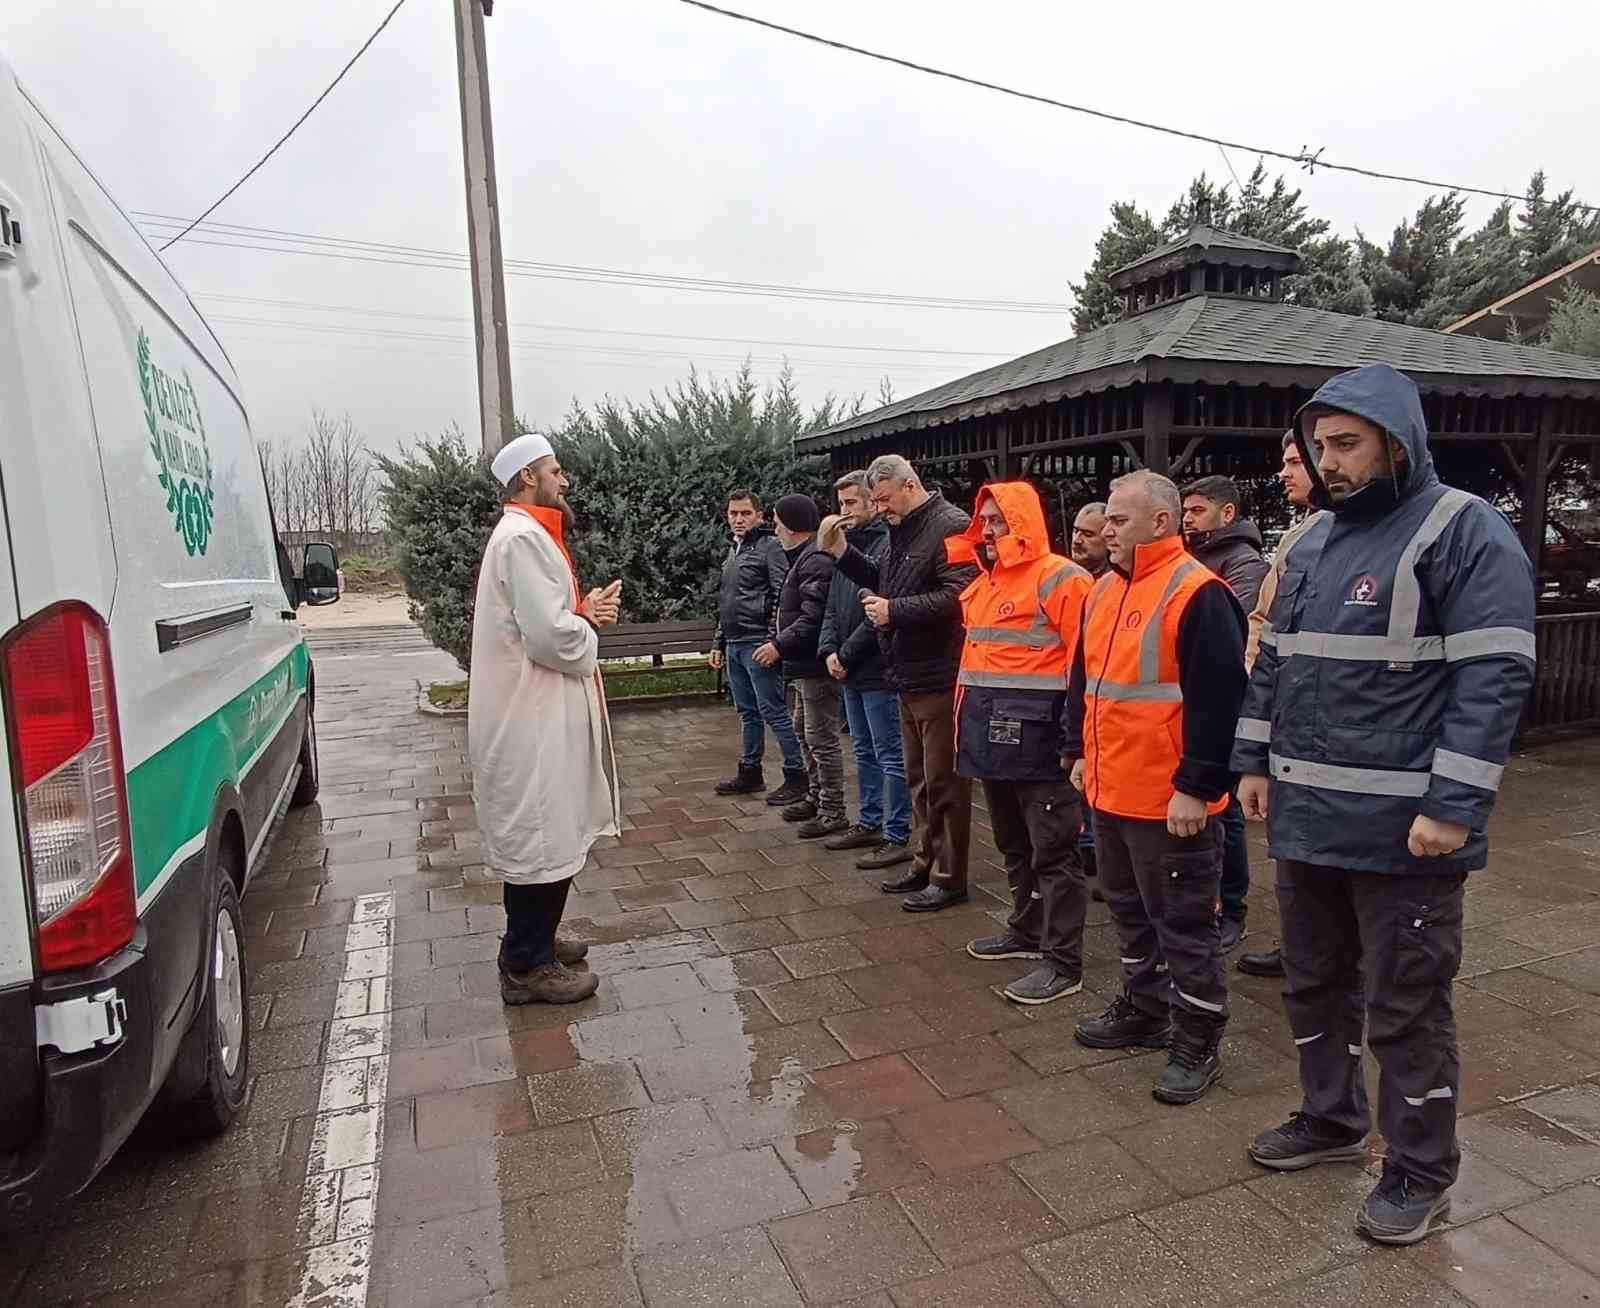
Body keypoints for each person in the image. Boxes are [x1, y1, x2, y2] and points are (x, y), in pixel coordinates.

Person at [1234, 363, 1536, 1245]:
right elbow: (1277, 662)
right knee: (1315, 983)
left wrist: (1456, 806)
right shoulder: (1315, 540)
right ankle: (1330, 1119)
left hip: (1409, 837)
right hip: (1307, 820)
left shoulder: (1464, 531)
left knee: (1406, 1005)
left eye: (1345, 444)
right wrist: (1253, 759)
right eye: (1317, 446)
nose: (1326, 461)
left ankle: (1419, 1169)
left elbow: (1493, 678)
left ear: (1396, 441)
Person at [1064, 469, 1246, 1104]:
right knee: (1130, 913)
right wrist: (1077, 752)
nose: (1104, 530)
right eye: (1107, 519)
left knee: (1186, 925)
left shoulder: (1199, 593)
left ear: (1161, 523)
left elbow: (1219, 702)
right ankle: (1145, 1009)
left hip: (1171, 803)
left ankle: (1197, 1037)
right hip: (1111, 791)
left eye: (1118, 519)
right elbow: (1085, 684)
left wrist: (1197, 786)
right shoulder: (1104, 591)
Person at [470, 432, 621, 1007]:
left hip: (537, 708)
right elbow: (549, 637)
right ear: (529, 477)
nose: (564, 481)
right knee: (540, 831)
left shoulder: (525, 535)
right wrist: (590, 624)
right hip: (530, 713)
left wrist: (580, 612)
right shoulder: (523, 538)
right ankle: (526, 964)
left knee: (549, 827)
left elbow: (545, 619)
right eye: (555, 471)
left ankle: (536, 939)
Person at [952, 483, 1094, 1004]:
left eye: (998, 521)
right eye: (983, 520)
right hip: (992, 742)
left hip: (1042, 745)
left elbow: (1086, 666)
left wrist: (1074, 742)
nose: (987, 530)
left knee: (1054, 854)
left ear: (1024, 522)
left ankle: (1063, 961)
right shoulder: (986, 582)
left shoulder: (1063, 579)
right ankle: (1027, 930)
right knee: (1014, 846)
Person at [819, 454, 978, 912]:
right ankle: (924, 860)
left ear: (910, 486)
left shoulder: (950, 525)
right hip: (906, 674)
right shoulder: (900, 528)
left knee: (944, 782)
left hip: (940, 674)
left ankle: (950, 878)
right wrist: (843, 555)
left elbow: (960, 595)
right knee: (919, 780)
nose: (880, 508)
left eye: (885, 500)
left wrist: (894, 612)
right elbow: (886, 578)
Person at [1236, 435, 1318, 979]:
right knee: (1291, 850)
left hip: (1318, 716)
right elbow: (1266, 623)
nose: (1283, 473)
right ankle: (1299, 946)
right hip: (1285, 713)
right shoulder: (1296, 537)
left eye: (1294, 462)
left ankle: (1319, 955)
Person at [1181, 475, 1270, 954]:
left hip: (1232, 699)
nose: (1187, 519)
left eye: (1197, 510)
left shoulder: (1243, 565)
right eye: (1185, 511)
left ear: (1227, 514)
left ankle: (1233, 907)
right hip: (1192, 699)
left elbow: (1224, 632)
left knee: (1228, 809)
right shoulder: (1196, 558)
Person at [817, 471, 912, 870]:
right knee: (862, 749)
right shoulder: (844, 548)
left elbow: (879, 610)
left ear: (873, 501)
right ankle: (869, 821)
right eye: (840, 504)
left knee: (890, 753)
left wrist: (848, 653)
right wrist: (828, 650)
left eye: (852, 503)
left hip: (877, 667)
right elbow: (832, 606)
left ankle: (897, 833)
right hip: (850, 667)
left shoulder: (885, 545)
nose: (844, 511)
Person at [755, 495, 846, 840]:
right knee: (803, 733)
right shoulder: (801, 558)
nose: (774, 527)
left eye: (777, 521)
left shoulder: (814, 560)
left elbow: (813, 616)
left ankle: (832, 810)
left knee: (820, 739)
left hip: (813, 668)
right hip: (799, 667)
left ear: (791, 525)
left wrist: (778, 645)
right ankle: (815, 796)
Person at [710, 490, 808, 804]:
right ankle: (750, 772)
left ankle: (798, 776)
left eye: (745, 513)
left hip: (758, 643)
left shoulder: (770, 548)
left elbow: (784, 596)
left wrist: (773, 641)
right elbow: (727, 600)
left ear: (759, 516)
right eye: (733, 513)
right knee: (747, 713)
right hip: (735, 644)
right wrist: (719, 642)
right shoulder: (732, 551)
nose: (738, 519)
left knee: (774, 712)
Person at [1071, 501, 1111, 578]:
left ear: (1108, 538)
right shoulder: (1061, 577)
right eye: (1075, 531)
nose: (1076, 540)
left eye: (1087, 535)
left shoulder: (1117, 582)